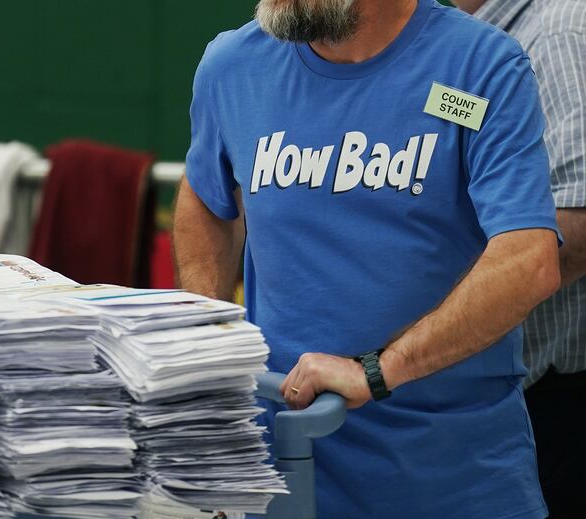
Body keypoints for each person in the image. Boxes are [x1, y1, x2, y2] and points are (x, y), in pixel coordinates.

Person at [173, 0, 562, 517]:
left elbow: (528, 260)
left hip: (448, 480)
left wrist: (379, 371)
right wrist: (208, 347)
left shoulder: (480, 66)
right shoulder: (233, 64)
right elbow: (205, 196)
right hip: (281, 468)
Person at [451, 1, 586, 516]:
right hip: (498, 385)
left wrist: (443, 306)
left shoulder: (555, 33)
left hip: (558, 395)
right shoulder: (465, 41)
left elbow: (579, 214)